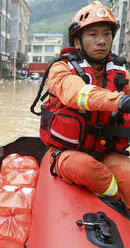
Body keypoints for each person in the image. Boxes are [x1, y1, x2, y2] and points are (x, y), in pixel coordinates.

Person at [33, 1, 130, 210]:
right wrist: (119, 100)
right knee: (87, 169)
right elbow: (75, 94)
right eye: (93, 35)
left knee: (128, 176)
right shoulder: (61, 69)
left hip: (107, 151)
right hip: (68, 153)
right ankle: (115, 202)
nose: (101, 41)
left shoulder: (121, 74)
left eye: (106, 34)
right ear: (77, 41)